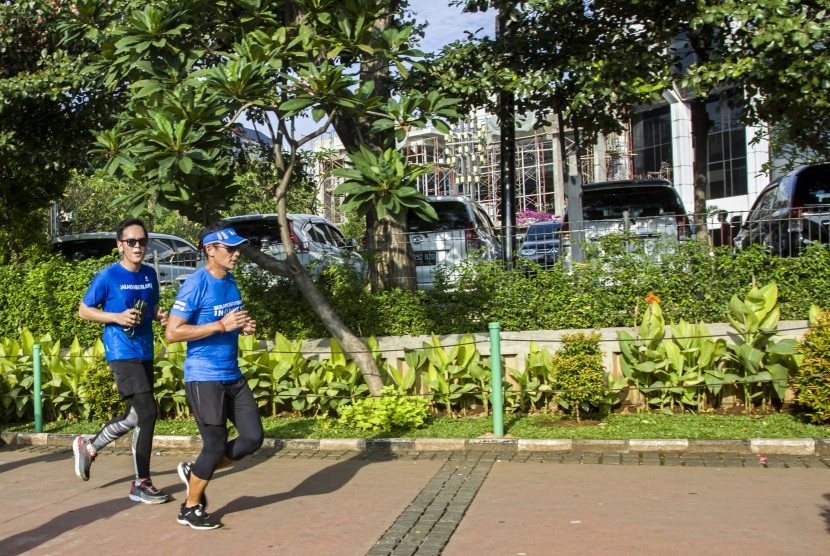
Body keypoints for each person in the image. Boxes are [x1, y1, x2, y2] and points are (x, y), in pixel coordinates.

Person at [166, 224, 263, 530]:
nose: (237, 253)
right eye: (230, 248)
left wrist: (243, 325)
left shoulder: (231, 280)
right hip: (204, 376)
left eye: (237, 248)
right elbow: (172, 332)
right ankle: (190, 508)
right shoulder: (196, 284)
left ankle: (196, 473)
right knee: (215, 443)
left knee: (252, 438)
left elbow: (231, 316)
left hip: (231, 373)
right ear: (211, 250)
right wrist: (221, 326)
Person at [72, 218, 170, 504]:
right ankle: (141, 483)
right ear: (120, 246)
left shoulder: (150, 274)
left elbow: (150, 307)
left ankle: (89, 446)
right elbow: (84, 310)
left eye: (141, 241)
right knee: (148, 413)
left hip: (145, 350)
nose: (137, 246)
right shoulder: (107, 276)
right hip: (121, 351)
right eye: (131, 242)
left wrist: (158, 315)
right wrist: (116, 316)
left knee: (134, 416)